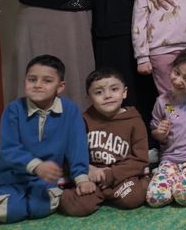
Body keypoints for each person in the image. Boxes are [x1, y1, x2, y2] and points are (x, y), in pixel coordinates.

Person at [0, 56, 92, 224]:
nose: (38, 85)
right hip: (11, 176)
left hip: (44, 180)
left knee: (40, 209)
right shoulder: (13, 110)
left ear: (60, 87)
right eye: (32, 79)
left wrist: (81, 178)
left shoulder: (70, 110)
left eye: (47, 80)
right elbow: (9, 148)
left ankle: (30, 198)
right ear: (25, 81)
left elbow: (77, 146)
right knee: (9, 213)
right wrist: (36, 165)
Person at [59, 68, 149, 216]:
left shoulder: (134, 121)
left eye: (114, 89)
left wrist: (111, 174)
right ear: (89, 97)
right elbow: (71, 152)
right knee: (77, 207)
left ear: (124, 92)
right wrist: (88, 170)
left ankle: (144, 182)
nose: (107, 96)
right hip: (92, 178)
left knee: (132, 199)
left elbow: (140, 159)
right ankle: (59, 193)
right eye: (99, 92)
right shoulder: (81, 120)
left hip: (121, 177)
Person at [145, 46, 186, 207]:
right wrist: (159, 133)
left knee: (185, 196)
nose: (178, 80)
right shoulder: (163, 101)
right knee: (155, 198)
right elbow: (155, 130)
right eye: (176, 73)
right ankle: (166, 177)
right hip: (169, 159)